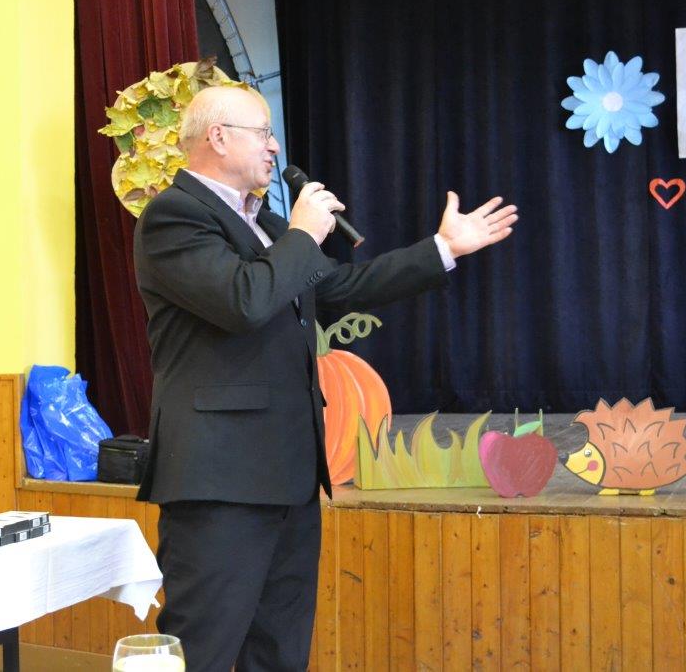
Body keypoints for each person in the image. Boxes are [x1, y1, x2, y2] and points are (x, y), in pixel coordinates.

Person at [131, 84, 517, 671]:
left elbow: (339, 288)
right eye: (263, 133)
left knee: (280, 650)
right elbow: (243, 301)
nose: (274, 146)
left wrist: (442, 248)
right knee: (203, 647)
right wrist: (303, 234)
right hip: (220, 478)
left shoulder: (266, 224)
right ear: (218, 137)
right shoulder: (174, 216)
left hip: (289, 474)